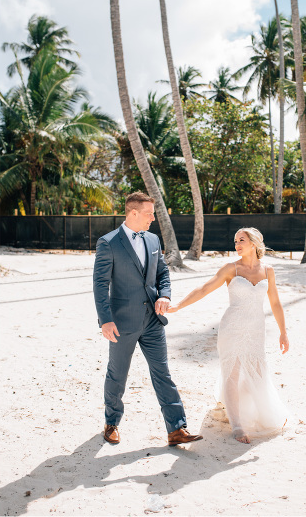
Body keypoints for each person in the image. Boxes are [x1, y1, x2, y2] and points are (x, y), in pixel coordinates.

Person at [93, 191, 203, 447]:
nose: (153, 218)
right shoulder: (108, 242)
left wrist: (164, 295)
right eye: (148, 213)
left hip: (153, 321)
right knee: (117, 375)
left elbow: (163, 273)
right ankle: (111, 423)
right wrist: (105, 320)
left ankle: (177, 429)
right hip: (122, 323)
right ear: (133, 213)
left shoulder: (153, 240)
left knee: (162, 373)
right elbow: (99, 284)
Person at [167, 227, 289, 443]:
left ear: (254, 242)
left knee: (258, 373)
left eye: (241, 240)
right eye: (235, 241)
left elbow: (276, 302)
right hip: (232, 328)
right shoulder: (230, 269)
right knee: (231, 374)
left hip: (256, 330)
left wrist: (283, 332)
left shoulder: (268, 270)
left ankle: (255, 413)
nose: (237, 244)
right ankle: (238, 425)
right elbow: (204, 289)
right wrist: (178, 305)